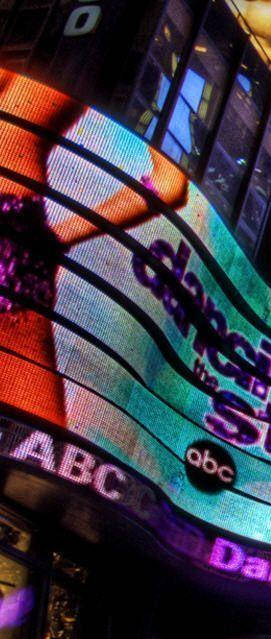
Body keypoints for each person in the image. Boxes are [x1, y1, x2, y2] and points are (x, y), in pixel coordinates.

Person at [0, 70, 189, 427]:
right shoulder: (165, 59)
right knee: (34, 447)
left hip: (15, 231)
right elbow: (169, 184)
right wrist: (58, 236)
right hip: (14, 236)